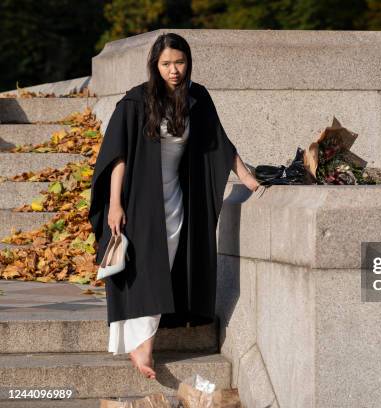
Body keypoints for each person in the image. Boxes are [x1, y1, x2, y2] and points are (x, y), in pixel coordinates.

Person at [87, 33, 260, 380]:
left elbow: (220, 142)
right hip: (139, 199)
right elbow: (118, 156)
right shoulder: (137, 101)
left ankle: (143, 343)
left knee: (164, 262)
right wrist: (115, 204)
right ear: (155, 65)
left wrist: (249, 179)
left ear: (188, 62)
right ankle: (143, 349)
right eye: (166, 64)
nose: (174, 70)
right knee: (145, 267)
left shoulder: (197, 98)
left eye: (179, 62)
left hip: (175, 198)